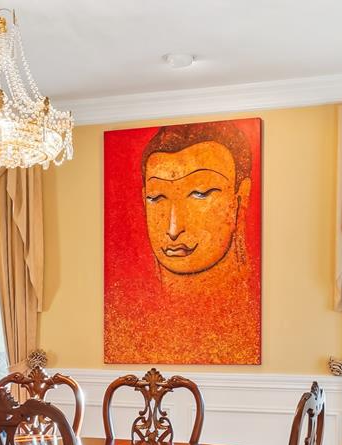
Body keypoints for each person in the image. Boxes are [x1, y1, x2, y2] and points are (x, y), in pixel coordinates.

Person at [104, 120, 261, 363]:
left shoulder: (251, 316)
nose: (173, 228)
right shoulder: (129, 319)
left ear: (240, 199)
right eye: (156, 197)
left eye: (201, 193)